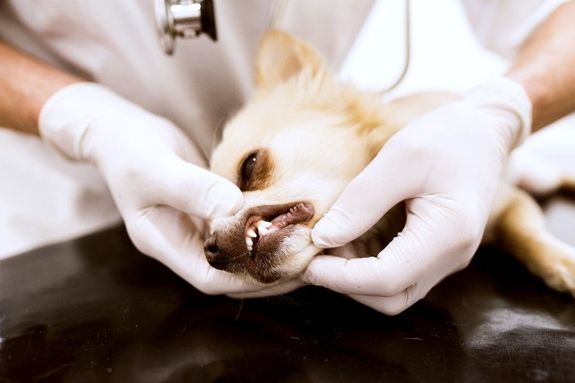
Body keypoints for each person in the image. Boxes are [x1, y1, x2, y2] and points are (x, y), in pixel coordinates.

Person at [0, 1, 573, 312]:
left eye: (252, 168)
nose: (220, 230)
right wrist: (80, 119)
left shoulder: (410, 137)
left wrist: (504, 110)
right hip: (69, 238)